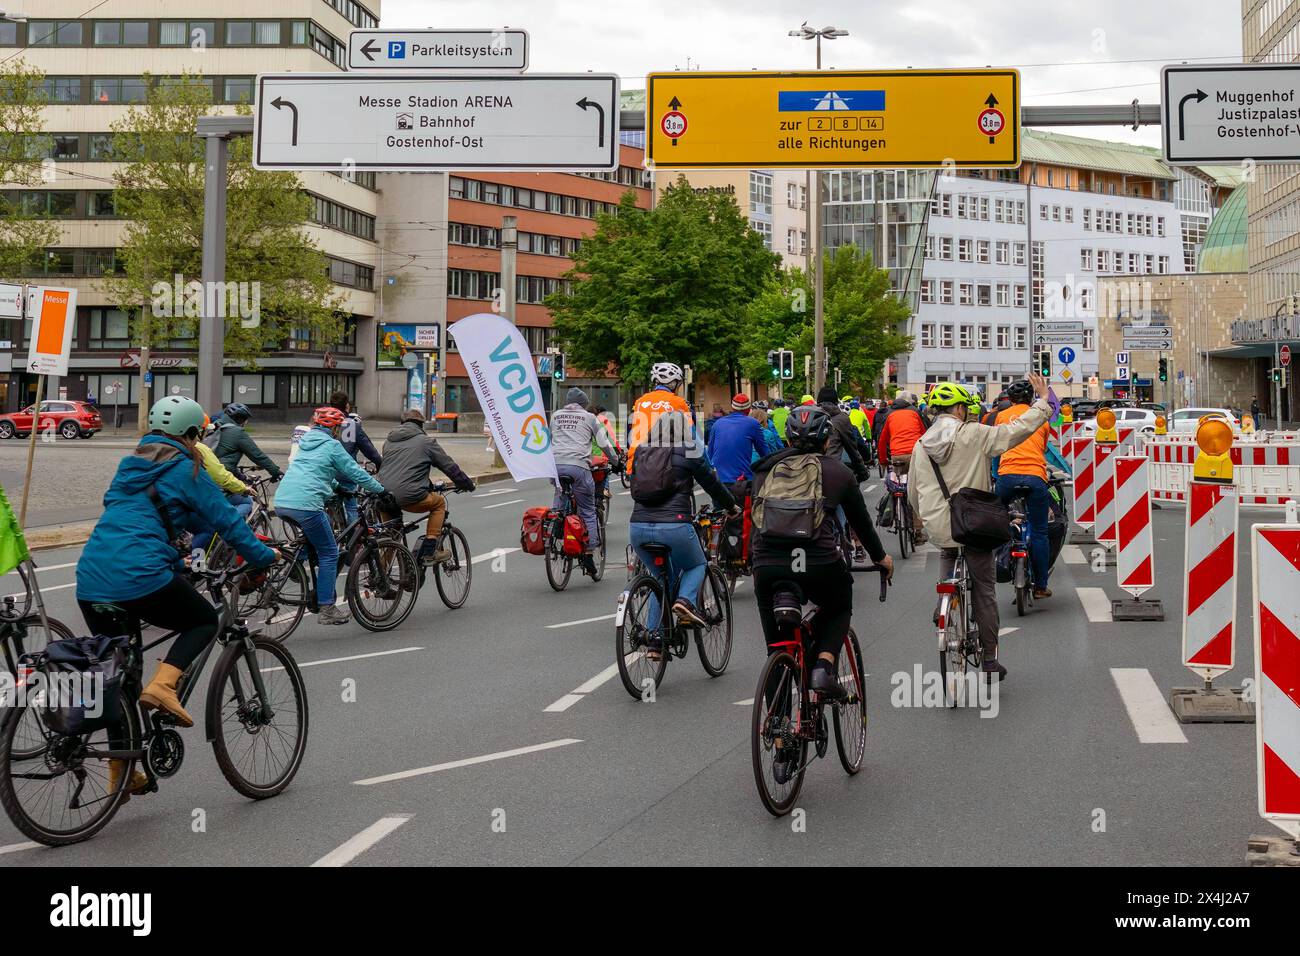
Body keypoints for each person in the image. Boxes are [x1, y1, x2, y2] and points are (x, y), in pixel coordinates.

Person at [76, 396, 279, 797]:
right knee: (202, 619)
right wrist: (262, 554)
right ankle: (166, 685)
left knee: (121, 676)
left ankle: (124, 772)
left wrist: (176, 546)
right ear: (191, 435)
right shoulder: (187, 467)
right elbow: (224, 518)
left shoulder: (131, 464)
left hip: (91, 578)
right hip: (139, 574)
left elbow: (147, 512)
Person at [906, 375, 1053, 680]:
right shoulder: (974, 434)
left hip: (939, 526)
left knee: (948, 551)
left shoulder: (921, 444)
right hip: (973, 526)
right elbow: (1015, 431)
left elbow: (912, 491)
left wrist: (923, 519)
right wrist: (1042, 403)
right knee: (984, 590)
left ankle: (943, 603)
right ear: (959, 408)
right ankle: (989, 659)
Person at [751, 405, 892, 699]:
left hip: (769, 563)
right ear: (827, 440)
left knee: (776, 646)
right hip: (819, 560)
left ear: (787, 440)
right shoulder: (838, 471)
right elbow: (861, 523)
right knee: (839, 606)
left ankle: (778, 731)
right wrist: (880, 558)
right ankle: (824, 666)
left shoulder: (765, 470)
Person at [629, 410, 736, 644]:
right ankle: (685, 601)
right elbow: (711, 483)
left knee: (660, 578)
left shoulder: (641, 451)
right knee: (697, 564)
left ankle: (656, 640)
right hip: (674, 526)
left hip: (637, 528)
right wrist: (730, 506)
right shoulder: (688, 450)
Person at [275, 406, 388, 625]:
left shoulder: (306, 443)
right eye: (339, 427)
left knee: (322, 528)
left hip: (282, 501)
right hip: (306, 505)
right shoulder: (332, 445)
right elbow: (354, 471)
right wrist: (381, 490)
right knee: (329, 553)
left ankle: (295, 562)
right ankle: (327, 608)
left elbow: (316, 471)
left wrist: (337, 487)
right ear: (335, 428)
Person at [377, 408, 476, 565]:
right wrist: (467, 484)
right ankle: (431, 550)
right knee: (439, 503)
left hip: (383, 497)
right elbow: (449, 466)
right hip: (409, 496)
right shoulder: (426, 442)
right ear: (420, 425)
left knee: (393, 537)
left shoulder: (388, 442)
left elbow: (402, 469)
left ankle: (382, 580)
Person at [993, 379, 1055, 599]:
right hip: (1035, 477)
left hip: (1007, 477)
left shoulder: (1001, 417)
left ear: (1009, 399)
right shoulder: (1041, 419)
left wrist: (996, 476)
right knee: (1039, 532)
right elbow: (1044, 448)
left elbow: (996, 448)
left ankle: (1003, 558)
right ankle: (1040, 586)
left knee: (997, 520)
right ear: (1030, 399)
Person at [550, 387, 621, 575]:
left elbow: (548, 440)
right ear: (584, 404)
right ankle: (589, 553)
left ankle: (556, 525)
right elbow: (604, 444)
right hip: (578, 466)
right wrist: (616, 462)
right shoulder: (590, 418)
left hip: (555, 466)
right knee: (588, 510)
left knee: (560, 494)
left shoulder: (555, 416)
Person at [192, 416, 254, 553]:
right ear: (197, 431)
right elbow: (221, 476)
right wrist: (244, 488)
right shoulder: (199, 448)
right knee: (206, 529)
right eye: (204, 431)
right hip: (196, 499)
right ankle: (195, 565)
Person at [628, 362, 694, 467]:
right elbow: (691, 434)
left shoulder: (640, 401)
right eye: (679, 384)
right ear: (673, 384)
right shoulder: (678, 402)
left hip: (636, 463)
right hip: (663, 464)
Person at [210, 402, 284, 482]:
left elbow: (225, 458)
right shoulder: (237, 432)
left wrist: (241, 477)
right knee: (246, 494)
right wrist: (276, 472)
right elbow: (257, 456)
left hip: (208, 471)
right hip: (222, 476)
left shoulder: (214, 426)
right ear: (241, 419)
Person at [706, 393, 769, 485]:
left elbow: (710, 453)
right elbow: (764, 453)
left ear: (732, 408)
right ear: (748, 410)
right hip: (742, 480)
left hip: (718, 480)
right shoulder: (753, 423)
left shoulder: (717, 424)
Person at [816, 385, 871, 482]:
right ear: (836, 402)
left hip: (808, 471)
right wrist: (862, 472)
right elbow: (852, 449)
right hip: (832, 470)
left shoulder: (812, 416)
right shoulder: (842, 419)